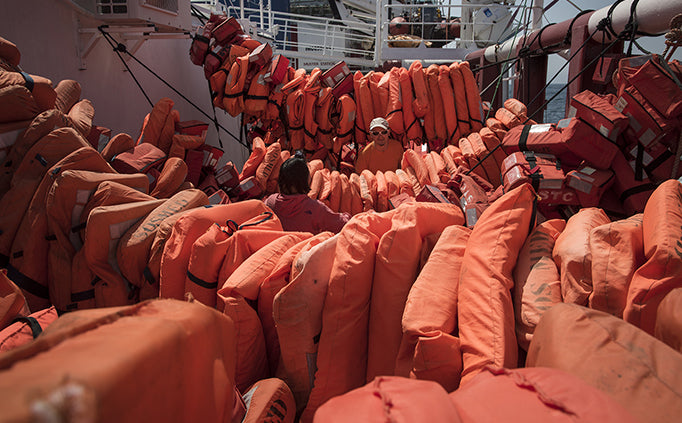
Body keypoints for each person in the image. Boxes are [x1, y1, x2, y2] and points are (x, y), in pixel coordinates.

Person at [264, 153, 350, 234]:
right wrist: (348, 216)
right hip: (304, 248)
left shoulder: (271, 202)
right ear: (306, 180)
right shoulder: (315, 208)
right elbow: (341, 224)